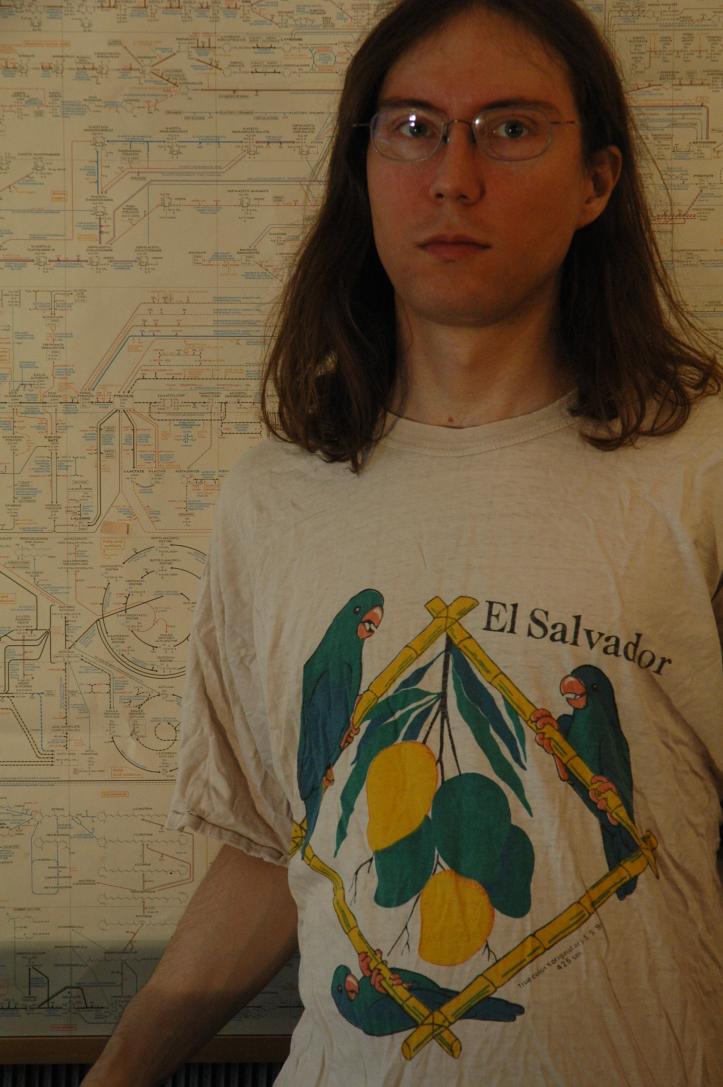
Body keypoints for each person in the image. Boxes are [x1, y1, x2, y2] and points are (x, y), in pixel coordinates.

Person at [82, 1, 722, 1084]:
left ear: (597, 181)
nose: (453, 178)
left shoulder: (700, 467)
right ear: (365, 167)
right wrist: (118, 1069)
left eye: (510, 129)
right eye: (413, 128)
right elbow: (277, 842)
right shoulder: (274, 499)